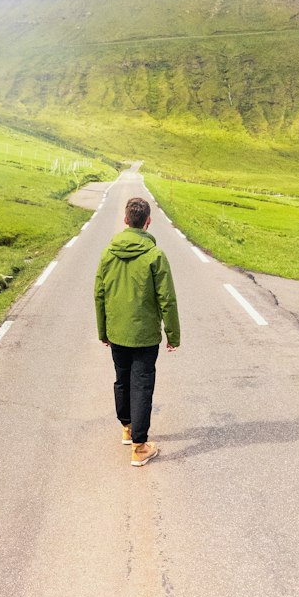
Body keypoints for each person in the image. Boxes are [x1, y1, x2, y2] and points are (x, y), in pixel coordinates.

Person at [94, 196, 180, 467]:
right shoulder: (155, 256)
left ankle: (127, 429)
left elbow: (99, 293)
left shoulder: (108, 253)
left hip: (117, 331)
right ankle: (140, 447)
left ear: (125, 220)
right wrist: (173, 335)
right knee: (141, 384)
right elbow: (167, 298)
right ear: (148, 222)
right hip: (144, 335)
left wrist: (102, 330)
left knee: (122, 379)